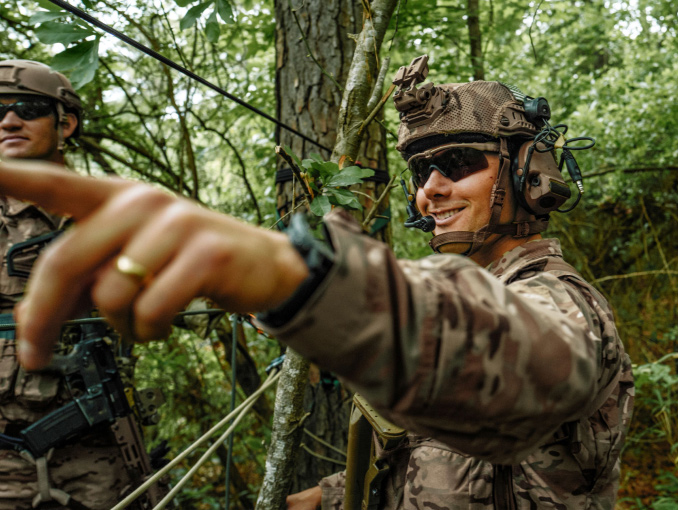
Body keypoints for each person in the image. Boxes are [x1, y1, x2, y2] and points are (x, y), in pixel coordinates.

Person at [0, 56, 633, 509]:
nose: (430, 188)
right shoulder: (469, 291)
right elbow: (450, 463)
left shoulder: (563, 301)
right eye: (420, 169)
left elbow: (534, 365)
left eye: (460, 164)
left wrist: (299, 281)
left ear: (529, 176)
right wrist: (334, 496)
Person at [0, 60, 162, 510]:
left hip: (98, 450)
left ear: (65, 123)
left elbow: (196, 283)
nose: (9, 121)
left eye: (28, 109)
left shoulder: (114, 209)